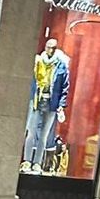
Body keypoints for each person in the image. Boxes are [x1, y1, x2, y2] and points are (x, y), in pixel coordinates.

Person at [22, 37, 70, 174]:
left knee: (44, 135)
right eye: (49, 47)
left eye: (53, 48)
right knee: (31, 132)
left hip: (51, 103)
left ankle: (37, 163)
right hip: (37, 101)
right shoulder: (38, 62)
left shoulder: (61, 66)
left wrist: (61, 105)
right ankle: (27, 161)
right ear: (45, 47)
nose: (51, 50)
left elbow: (65, 87)